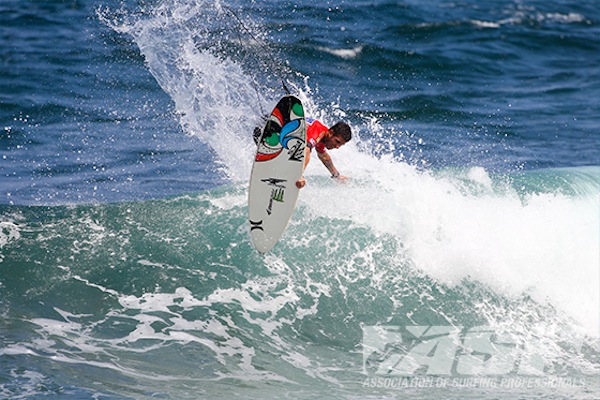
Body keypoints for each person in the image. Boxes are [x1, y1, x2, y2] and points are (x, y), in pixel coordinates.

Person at [296, 119, 352, 189]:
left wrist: (336, 175)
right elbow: (306, 150)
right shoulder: (318, 131)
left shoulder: (322, 138)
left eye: (341, 145)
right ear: (331, 133)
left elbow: (324, 156)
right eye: (337, 141)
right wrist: (299, 175)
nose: (337, 147)